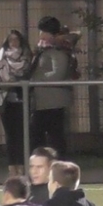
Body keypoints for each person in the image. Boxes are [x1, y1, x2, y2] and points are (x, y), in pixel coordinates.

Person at [30, 16, 72, 157]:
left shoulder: (58, 50)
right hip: (42, 100)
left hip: (53, 101)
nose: (41, 35)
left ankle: (58, 163)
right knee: (40, 135)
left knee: (54, 137)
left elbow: (58, 73)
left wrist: (36, 79)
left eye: (44, 32)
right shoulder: (43, 50)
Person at [0, 30, 33, 178]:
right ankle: (12, 168)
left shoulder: (27, 57)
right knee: (10, 135)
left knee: (22, 134)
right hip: (5, 100)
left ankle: (22, 166)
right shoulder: (0, 58)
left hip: (22, 99)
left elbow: (28, 75)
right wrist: (3, 81)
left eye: (16, 39)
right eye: (11, 40)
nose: (14, 42)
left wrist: (14, 81)